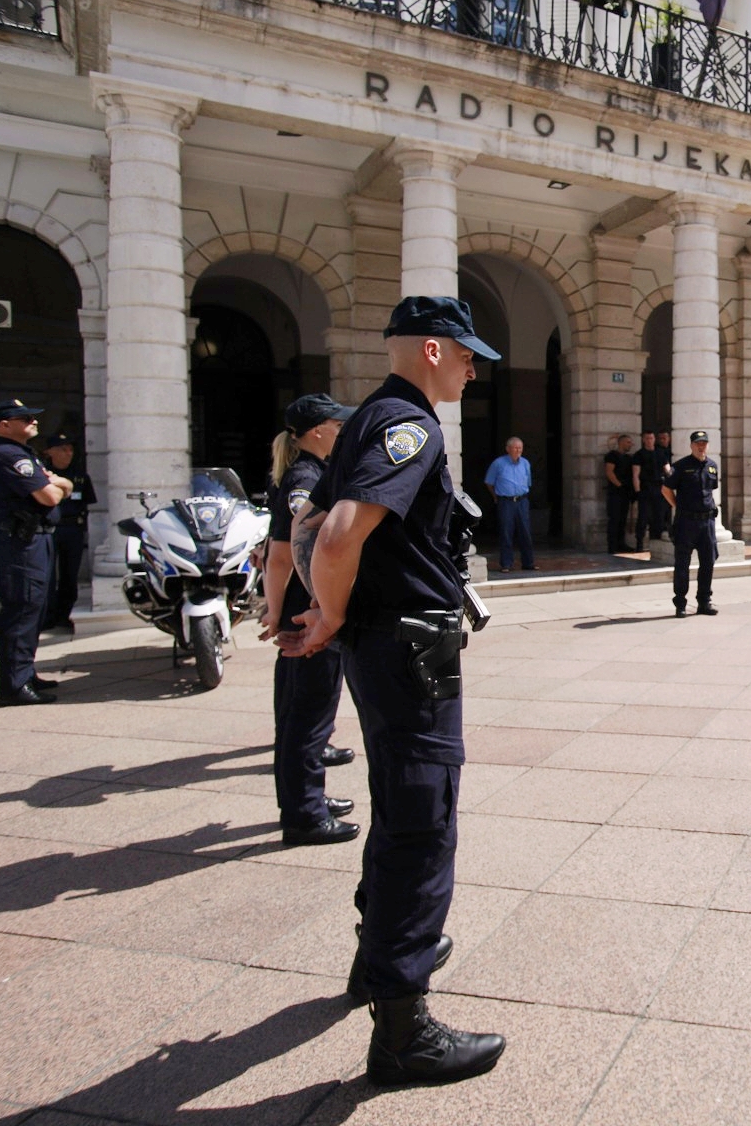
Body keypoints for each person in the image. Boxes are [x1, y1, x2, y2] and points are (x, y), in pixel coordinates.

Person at [277, 296, 505, 1087]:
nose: (476, 367)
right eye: (468, 353)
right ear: (434, 350)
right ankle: (404, 1027)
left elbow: (304, 528)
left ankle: (378, 958)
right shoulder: (409, 423)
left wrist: (324, 609)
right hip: (411, 648)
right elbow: (338, 533)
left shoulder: (368, 416)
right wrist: (332, 608)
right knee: (421, 819)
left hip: (385, 646)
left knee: (396, 800)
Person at [262, 394, 360, 849]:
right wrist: (282, 610)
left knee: (301, 716)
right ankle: (304, 815)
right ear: (318, 430)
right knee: (308, 719)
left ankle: (309, 799)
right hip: (309, 614)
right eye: (337, 424)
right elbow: (282, 554)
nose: (342, 431)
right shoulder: (305, 478)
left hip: (302, 610)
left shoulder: (309, 472)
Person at [0, 399, 73, 706]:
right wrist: (57, 486)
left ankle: (25, 673)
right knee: (21, 610)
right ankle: (13, 686)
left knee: (34, 609)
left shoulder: (22, 453)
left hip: (35, 541)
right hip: (20, 543)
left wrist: (59, 484)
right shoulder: (6, 455)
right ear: (3, 425)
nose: (34, 421)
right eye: (25, 417)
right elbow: (49, 496)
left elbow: (63, 485)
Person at [40, 434, 95, 635]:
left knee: (69, 576)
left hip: (73, 530)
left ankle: (65, 615)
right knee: (46, 576)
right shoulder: (42, 474)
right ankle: (47, 616)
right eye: (62, 449)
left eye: (70, 449)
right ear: (50, 452)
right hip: (49, 529)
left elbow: (86, 503)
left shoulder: (80, 475)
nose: (68, 453)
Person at [662, 431, 721, 617]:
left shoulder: (712, 466)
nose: (701, 446)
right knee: (682, 564)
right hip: (686, 522)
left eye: (704, 443)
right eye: (697, 443)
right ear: (691, 445)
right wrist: (678, 507)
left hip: (707, 523)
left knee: (708, 563)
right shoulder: (680, 466)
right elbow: (666, 489)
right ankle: (680, 604)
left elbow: (710, 492)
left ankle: (704, 602)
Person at [483, 437, 535, 572]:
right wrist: (496, 497)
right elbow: (489, 482)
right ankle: (506, 564)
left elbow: (528, 482)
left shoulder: (525, 463)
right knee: (506, 532)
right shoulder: (498, 464)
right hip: (506, 502)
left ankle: (528, 563)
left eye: (520, 448)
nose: (518, 451)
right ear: (508, 449)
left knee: (525, 532)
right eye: (515, 448)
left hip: (522, 501)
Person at [636, 430, 671, 544]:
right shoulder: (639, 454)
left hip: (659, 487)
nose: (649, 441)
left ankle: (656, 541)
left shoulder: (660, 453)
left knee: (659, 515)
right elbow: (635, 474)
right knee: (643, 517)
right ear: (643, 440)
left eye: (651, 438)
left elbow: (667, 469)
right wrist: (637, 491)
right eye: (647, 438)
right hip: (645, 488)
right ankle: (640, 543)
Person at [603, 435, 636, 553]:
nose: (630, 444)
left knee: (622, 520)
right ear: (621, 443)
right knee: (614, 519)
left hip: (626, 493)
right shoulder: (612, 456)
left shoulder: (629, 458)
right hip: (615, 493)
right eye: (628, 442)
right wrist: (620, 485)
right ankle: (612, 546)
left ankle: (621, 544)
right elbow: (609, 472)